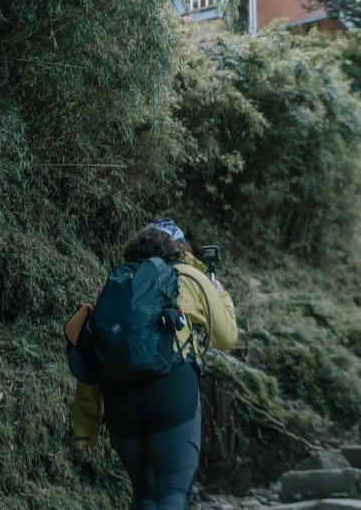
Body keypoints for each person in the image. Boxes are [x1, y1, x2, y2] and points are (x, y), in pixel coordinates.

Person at [67, 218, 237, 510]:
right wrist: (219, 292)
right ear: (179, 247)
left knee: (144, 496)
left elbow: (96, 345)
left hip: (119, 395)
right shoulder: (191, 277)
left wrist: (86, 425)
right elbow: (226, 337)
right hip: (172, 389)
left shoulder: (117, 282)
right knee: (171, 491)